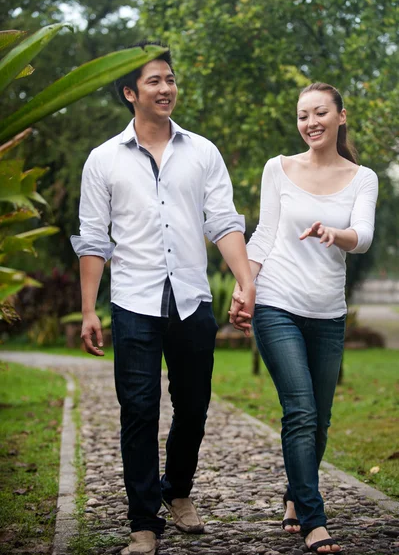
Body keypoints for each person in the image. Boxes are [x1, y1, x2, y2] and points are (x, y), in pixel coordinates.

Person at [70, 41, 255, 555]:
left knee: (194, 406)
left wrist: (245, 281)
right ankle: (143, 522)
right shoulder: (103, 159)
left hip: (192, 299)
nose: (166, 88)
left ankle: (178, 491)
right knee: (139, 410)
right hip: (134, 301)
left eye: (170, 79)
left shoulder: (203, 152)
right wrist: (89, 308)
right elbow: (92, 238)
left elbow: (223, 221)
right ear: (130, 92)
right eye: (154, 81)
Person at [229, 82, 378, 553]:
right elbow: (265, 232)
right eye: (302, 115)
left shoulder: (363, 177)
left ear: (340, 117)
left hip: (328, 311)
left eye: (319, 113)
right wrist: (244, 287)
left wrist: (338, 233)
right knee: (300, 411)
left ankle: (296, 494)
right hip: (277, 303)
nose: (310, 122)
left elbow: (366, 236)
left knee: (321, 421)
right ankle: (315, 521)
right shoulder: (278, 168)